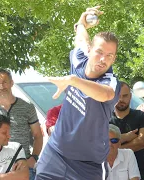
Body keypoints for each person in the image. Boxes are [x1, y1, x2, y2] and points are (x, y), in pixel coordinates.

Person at [35, 6, 121, 180]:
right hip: (55, 154)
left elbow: (104, 94)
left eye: (109, 55)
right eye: (99, 52)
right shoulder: (79, 58)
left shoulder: (110, 81)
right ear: (89, 50)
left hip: (87, 165)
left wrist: (74, 81)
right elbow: (81, 37)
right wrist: (81, 22)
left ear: (114, 58)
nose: (103, 59)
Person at [0, 68, 43, 180]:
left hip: (23, 166)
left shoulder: (27, 107)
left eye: (4, 82)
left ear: (11, 83)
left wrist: (34, 157)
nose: (1, 86)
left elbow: (38, 135)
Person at [110, 81, 144, 180]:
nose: (121, 99)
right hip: (111, 175)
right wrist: (126, 137)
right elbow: (99, 143)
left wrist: (114, 145)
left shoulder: (142, 117)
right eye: (118, 96)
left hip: (137, 173)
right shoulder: (104, 119)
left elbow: (143, 141)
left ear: (130, 96)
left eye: (125, 96)